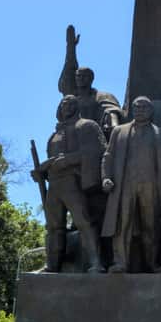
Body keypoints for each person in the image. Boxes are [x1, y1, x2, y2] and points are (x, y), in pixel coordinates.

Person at [101, 96, 161, 273]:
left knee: (151, 226)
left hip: (151, 186)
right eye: (136, 107)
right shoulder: (119, 131)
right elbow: (108, 156)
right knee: (122, 224)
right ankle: (120, 262)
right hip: (124, 185)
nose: (140, 110)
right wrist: (105, 177)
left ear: (151, 111)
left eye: (144, 107)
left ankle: (152, 263)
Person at [34, 96, 105, 273]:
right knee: (53, 226)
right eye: (63, 104)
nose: (66, 107)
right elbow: (53, 161)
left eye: (71, 104)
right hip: (54, 184)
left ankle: (96, 263)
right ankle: (52, 264)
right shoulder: (54, 134)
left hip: (73, 181)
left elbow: (97, 151)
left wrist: (67, 160)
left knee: (83, 222)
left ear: (77, 107)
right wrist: (41, 172)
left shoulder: (86, 126)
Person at [59, 25, 124, 138]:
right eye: (78, 76)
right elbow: (69, 68)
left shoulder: (102, 96)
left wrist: (114, 125)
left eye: (84, 76)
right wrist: (71, 48)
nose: (80, 79)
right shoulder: (72, 98)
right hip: (72, 138)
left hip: (96, 137)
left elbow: (111, 110)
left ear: (91, 79)